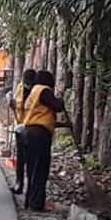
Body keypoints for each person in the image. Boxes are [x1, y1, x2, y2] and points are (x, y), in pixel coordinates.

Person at [20, 70, 68, 211]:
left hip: (28, 132)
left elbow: (42, 117)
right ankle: (36, 204)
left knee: (32, 170)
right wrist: (61, 99)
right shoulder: (44, 90)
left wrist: (63, 125)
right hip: (39, 136)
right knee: (40, 170)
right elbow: (57, 107)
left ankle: (29, 201)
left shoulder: (33, 92)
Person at [10, 69, 36, 195]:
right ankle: (19, 184)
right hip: (20, 127)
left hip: (32, 128)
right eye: (26, 82)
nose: (27, 84)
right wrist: (12, 105)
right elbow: (17, 104)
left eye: (29, 82)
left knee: (31, 159)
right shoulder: (20, 87)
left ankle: (30, 189)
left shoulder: (37, 91)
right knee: (20, 159)